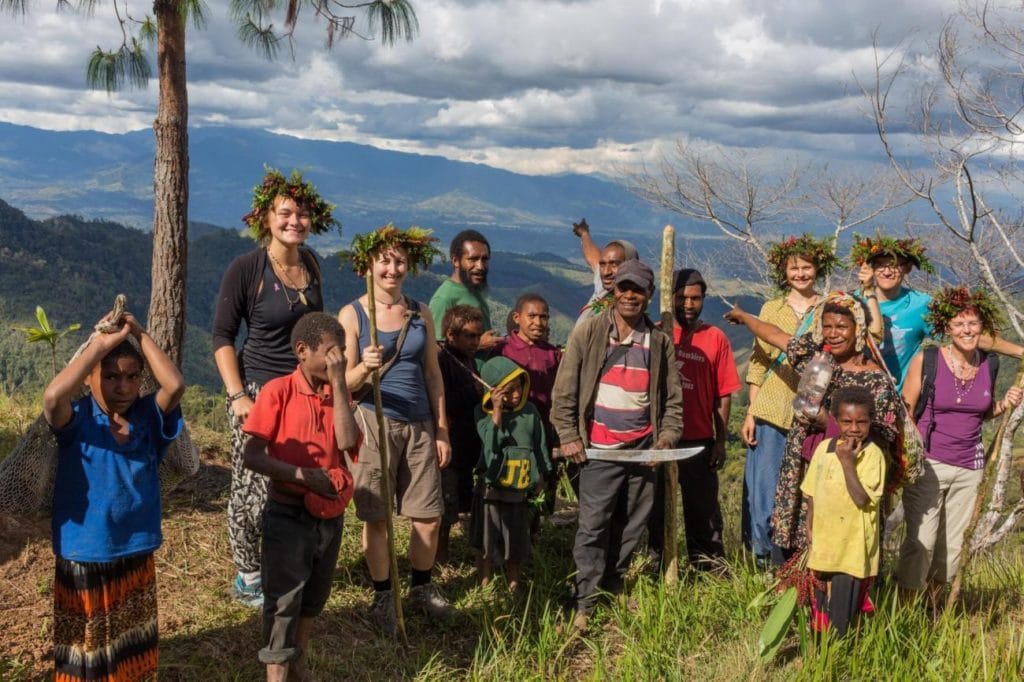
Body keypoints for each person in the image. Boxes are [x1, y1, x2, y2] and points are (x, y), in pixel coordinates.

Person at [212, 168, 336, 606]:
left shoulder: (312, 264)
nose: (294, 221)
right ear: (266, 217)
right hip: (258, 389)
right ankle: (248, 572)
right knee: (251, 481)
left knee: (293, 476)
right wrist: (238, 397)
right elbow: (222, 338)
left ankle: (285, 558)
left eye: (302, 214)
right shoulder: (248, 269)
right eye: (285, 213)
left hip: (302, 391)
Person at [43, 312, 185, 681]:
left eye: (132, 377)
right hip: (85, 553)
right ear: (89, 377)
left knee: (129, 647)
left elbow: (175, 385)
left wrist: (139, 333)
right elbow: (53, 395)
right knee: (85, 651)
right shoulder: (77, 421)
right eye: (110, 376)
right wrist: (98, 346)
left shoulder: (147, 419)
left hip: (134, 552)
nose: (123, 387)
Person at [550, 259, 683, 630]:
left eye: (637, 290)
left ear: (649, 296)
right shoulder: (590, 333)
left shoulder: (658, 343)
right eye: (623, 288)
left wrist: (666, 439)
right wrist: (569, 435)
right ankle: (585, 600)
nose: (629, 295)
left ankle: (612, 583)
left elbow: (672, 401)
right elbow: (565, 391)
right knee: (593, 526)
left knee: (632, 526)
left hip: (642, 451)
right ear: (613, 291)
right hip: (599, 450)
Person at [338, 226, 454, 636]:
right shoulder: (353, 314)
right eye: (384, 260)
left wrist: (441, 430)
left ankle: (421, 586)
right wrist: (363, 367)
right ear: (368, 266)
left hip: (420, 422)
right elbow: (345, 384)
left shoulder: (421, 312)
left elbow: (433, 374)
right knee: (379, 517)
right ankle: (384, 593)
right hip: (375, 420)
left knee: (429, 517)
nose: (392, 268)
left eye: (399, 261)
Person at [725, 291, 899, 556]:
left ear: (859, 330)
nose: (833, 333)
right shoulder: (815, 358)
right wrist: (744, 316)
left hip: (847, 469)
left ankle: (834, 591)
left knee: (835, 537)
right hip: (802, 462)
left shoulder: (875, 380)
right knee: (796, 523)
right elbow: (774, 335)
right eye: (827, 326)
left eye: (842, 327)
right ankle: (793, 585)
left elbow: (884, 434)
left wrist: (827, 422)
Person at [241, 313, 361, 682]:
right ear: (302, 351)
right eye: (330, 353)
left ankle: (298, 663)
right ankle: (276, 672)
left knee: (314, 595)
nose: (337, 360)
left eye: (342, 352)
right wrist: (301, 476)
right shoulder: (279, 392)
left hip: (329, 513)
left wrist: (340, 385)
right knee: (283, 599)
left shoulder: (336, 393)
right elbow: (253, 454)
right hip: (289, 512)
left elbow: (346, 443)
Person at [896, 287, 1023, 609]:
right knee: (920, 542)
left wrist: (1003, 404)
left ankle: (935, 609)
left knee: (952, 547)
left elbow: (980, 412)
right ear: (947, 328)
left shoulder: (988, 365)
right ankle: (905, 609)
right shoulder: (928, 361)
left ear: (982, 328)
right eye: (959, 324)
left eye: (973, 324)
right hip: (928, 464)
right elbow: (907, 413)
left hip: (970, 467)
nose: (967, 330)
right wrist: (903, 460)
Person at [739, 234, 838, 566]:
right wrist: (751, 412)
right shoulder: (772, 308)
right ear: (784, 273)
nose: (800, 274)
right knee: (765, 491)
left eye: (806, 267)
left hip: (812, 413)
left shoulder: (829, 308)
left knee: (802, 491)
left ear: (817, 270)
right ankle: (764, 560)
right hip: (771, 408)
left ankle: (801, 560)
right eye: (794, 268)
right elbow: (759, 362)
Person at [648, 268, 741, 570]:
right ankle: (657, 567)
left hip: (699, 440)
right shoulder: (656, 332)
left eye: (696, 298)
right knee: (656, 511)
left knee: (703, 513)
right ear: (670, 297)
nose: (689, 304)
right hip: (659, 440)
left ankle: (710, 571)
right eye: (683, 298)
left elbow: (723, 394)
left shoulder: (715, 338)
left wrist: (720, 441)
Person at [851, 234, 1023, 388]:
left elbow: (965, 334)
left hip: (898, 398)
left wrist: (1019, 352)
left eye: (894, 265)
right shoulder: (853, 303)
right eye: (880, 265)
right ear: (870, 268)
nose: (887, 272)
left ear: (907, 268)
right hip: (854, 393)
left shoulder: (920, 305)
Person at [801, 387, 886, 637]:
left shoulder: (873, 456)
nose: (854, 428)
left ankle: (843, 657)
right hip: (825, 545)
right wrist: (809, 525)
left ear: (871, 422)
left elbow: (861, 498)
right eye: (847, 422)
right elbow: (811, 492)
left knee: (843, 616)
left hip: (853, 550)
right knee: (821, 609)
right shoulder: (824, 449)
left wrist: (847, 461)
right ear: (836, 422)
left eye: (862, 422)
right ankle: (820, 657)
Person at [472, 357, 551, 590]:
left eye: (519, 387)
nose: (516, 394)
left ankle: (514, 584)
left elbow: (540, 445)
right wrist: (496, 410)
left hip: (518, 488)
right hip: (490, 489)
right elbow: (491, 444)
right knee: (486, 538)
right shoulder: (483, 413)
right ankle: (484, 585)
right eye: (509, 390)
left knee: (516, 540)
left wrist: (543, 474)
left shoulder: (530, 413)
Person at [436, 304, 486, 564]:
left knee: (461, 501)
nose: (475, 341)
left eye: (478, 336)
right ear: (451, 335)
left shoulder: (468, 360)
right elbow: (442, 400)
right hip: (450, 446)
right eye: (469, 336)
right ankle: (439, 558)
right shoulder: (443, 361)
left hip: (467, 446)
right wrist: (474, 392)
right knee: (446, 506)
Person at [429, 229, 501, 352]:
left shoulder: (473, 289)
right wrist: (478, 345)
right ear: (455, 261)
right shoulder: (444, 299)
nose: (480, 266)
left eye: (485, 259)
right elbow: (435, 349)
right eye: (473, 259)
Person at [571, 217, 639, 326]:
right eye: (603, 264)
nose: (606, 272)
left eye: (615, 264)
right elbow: (593, 257)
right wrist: (584, 234)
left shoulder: (628, 307)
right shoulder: (603, 288)